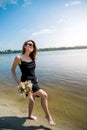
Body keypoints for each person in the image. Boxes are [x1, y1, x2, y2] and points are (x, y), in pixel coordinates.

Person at [11, 40, 56, 126]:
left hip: (34, 81)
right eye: (30, 44)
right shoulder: (18, 57)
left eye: (33, 45)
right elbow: (12, 69)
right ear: (25, 46)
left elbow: (32, 71)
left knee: (32, 100)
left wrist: (36, 78)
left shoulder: (33, 57)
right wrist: (17, 81)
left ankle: (29, 115)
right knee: (44, 95)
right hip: (25, 83)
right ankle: (48, 116)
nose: (32, 46)